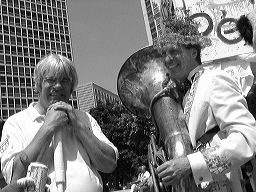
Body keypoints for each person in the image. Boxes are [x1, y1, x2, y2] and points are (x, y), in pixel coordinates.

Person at [142, 16, 256, 192]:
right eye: (164, 54)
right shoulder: (185, 95)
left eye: (174, 51)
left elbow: (248, 138)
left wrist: (190, 163)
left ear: (193, 52)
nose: (167, 59)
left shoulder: (213, 79)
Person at [0, 53, 118, 192]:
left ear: (71, 87)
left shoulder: (85, 118)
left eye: (65, 80)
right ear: (38, 85)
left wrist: (78, 125)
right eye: (50, 80)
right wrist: (48, 127)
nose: (58, 86)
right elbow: (14, 177)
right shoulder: (16, 123)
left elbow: (109, 163)